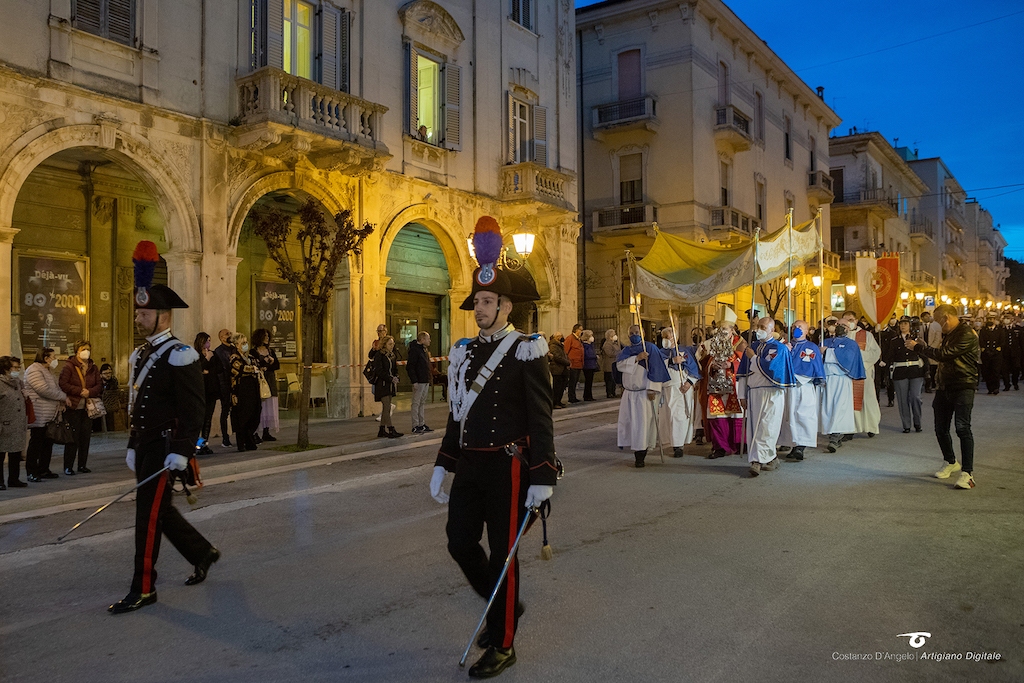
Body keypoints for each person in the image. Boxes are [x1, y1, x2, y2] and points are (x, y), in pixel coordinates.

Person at [428, 216, 556, 678]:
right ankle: (504, 605)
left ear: (505, 305)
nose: (479, 309)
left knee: (504, 555)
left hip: (509, 469)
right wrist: (443, 463)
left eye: (486, 302)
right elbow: (457, 413)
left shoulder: (526, 349)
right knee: (459, 542)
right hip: (470, 467)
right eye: (477, 302)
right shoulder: (464, 352)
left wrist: (543, 475)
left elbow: (541, 417)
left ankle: (503, 644)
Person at [109, 240, 219, 614]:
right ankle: (202, 552)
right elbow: (136, 404)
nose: (137, 319)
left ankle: (143, 588)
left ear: (163, 316)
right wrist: (132, 443)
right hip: (145, 445)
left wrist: (183, 451)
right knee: (160, 511)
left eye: (144, 314)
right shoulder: (140, 354)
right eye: (138, 313)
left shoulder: (181, 355)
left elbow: (194, 410)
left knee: (148, 517)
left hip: (165, 449)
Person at [905, 304, 980, 490]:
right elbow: (942, 355)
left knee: (962, 428)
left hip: (963, 385)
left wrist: (918, 348)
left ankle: (967, 473)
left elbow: (945, 355)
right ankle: (950, 461)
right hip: (944, 386)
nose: (938, 325)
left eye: (938, 321)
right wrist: (925, 347)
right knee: (940, 428)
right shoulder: (950, 334)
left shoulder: (966, 333)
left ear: (947, 318)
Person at [738, 318, 795, 476]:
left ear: (772, 330)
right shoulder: (752, 347)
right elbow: (743, 374)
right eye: (758, 327)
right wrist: (742, 395)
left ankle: (759, 461)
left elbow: (773, 370)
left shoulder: (779, 349)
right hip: (753, 392)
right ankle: (766, 458)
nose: (758, 330)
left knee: (768, 427)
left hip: (772, 393)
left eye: (763, 327)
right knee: (754, 428)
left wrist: (754, 358)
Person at [616, 324, 670, 468]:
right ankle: (635, 448)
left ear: (643, 333)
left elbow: (656, 369)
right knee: (629, 424)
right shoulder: (626, 350)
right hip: (629, 394)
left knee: (642, 425)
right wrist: (636, 358)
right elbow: (619, 366)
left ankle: (640, 455)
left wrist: (653, 389)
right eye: (632, 333)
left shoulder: (650, 348)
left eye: (637, 332)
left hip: (644, 394)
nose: (635, 335)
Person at [696, 307, 746, 459]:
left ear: (732, 329)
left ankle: (738, 445)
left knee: (735, 415)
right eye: (720, 328)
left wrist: (731, 365)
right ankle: (720, 448)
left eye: (725, 329)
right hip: (715, 385)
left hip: (735, 385)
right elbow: (702, 363)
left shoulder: (741, 344)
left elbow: (746, 363)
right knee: (717, 416)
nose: (722, 331)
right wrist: (712, 366)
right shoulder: (709, 344)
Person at [819, 318, 866, 453]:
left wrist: (827, 352)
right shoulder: (826, 341)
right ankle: (833, 434)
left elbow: (847, 358)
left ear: (848, 328)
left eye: (843, 325)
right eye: (838, 324)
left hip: (841, 378)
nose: (840, 327)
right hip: (827, 378)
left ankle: (835, 437)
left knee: (840, 407)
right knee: (828, 408)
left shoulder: (851, 344)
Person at [780, 320, 825, 462]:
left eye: (800, 327)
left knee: (803, 415)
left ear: (806, 331)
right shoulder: (785, 346)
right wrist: (784, 351)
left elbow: (815, 365)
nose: (796, 329)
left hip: (803, 386)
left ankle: (801, 446)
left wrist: (801, 377)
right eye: (794, 326)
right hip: (787, 386)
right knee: (789, 415)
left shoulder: (811, 347)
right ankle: (792, 443)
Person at [24, 347, 68, 482]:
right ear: (45, 358)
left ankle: (44, 469)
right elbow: (43, 389)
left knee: (47, 442)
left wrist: (60, 402)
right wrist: (63, 397)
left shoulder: (48, 371)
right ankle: (32, 471)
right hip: (39, 413)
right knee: (36, 443)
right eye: (53, 357)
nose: (55, 359)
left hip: (49, 414)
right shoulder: (34, 370)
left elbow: (55, 388)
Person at [58, 340, 101, 475]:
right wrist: (79, 391)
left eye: (88, 349)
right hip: (74, 407)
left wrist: (90, 392)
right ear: (77, 351)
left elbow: (99, 385)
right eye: (83, 349)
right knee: (72, 437)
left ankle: (82, 465)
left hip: (88, 408)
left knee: (85, 437)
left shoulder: (93, 367)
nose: (86, 352)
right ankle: (68, 466)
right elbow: (63, 384)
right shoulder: (69, 367)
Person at [657, 327, 700, 458]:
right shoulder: (659, 353)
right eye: (664, 337)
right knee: (667, 417)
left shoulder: (683, 351)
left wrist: (689, 382)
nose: (666, 339)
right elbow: (656, 368)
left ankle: (678, 446)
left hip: (681, 389)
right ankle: (669, 441)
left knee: (679, 417)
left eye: (668, 337)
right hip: (666, 389)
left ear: (675, 338)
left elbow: (694, 369)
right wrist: (671, 361)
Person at [883, 316, 925, 433]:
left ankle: (917, 422)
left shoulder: (917, 340)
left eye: (906, 323)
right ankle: (906, 425)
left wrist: (926, 371)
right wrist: (887, 371)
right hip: (900, 372)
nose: (903, 326)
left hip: (915, 371)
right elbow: (890, 356)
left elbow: (923, 355)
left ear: (910, 326)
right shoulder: (894, 341)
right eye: (901, 323)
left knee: (915, 397)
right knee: (902, 399)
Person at [842, 311, 881, 438]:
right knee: (849, 402)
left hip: (863, 372)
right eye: (846, 320)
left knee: (868, 400)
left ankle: (871, 426)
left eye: (851, 319)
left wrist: (859, 357)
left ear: (856, 320)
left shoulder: (867, 335)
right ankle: (851, 429)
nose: (849, 322)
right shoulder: (842, 336)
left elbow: (876, 352)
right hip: (847, 374)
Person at [227, 332, 261, 452]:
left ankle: (250, 440)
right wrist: (252, 369)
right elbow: (238, 369)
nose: (246, 345)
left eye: (246, 342)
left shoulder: (249, 357)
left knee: (253, 414)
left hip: (252, 390)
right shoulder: (234, 357)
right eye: (243, 343)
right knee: (242, 417)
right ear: (237, 345)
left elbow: (258, 365)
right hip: (241, 391)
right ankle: (241, 443)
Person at [0, 356, 29, 489]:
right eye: (15, 367)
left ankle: (14, 479)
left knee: (15, 453)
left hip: (17, 423)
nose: (17, 370)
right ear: (5, 368)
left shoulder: (18, 382)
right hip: (4, 424)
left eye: (18, 367)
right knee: (1, 454)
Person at [194, 332, 221, 455]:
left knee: (208, 419)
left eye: (209, 340)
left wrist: (208, 369)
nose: (208, 343)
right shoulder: (196, 355)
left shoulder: (213, 354)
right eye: (206, 341)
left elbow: (218, 369)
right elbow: (197, 370)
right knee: (199, 419)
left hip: (211, 390)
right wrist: (206, 360)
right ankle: (196, 444)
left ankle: (204, 443)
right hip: (200, 391)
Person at [252, 328, 280, 442]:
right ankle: (255, 432)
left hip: (270, 379)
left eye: (268, 336)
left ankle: (266, 431)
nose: (267, 338)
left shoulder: (270, 351)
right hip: (260, 379)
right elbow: (254, 365)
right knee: (260, 405)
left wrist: (270, 363)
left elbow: (277, 365)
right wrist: (263, 364)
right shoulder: (254, 351)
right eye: (265, 336)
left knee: (269, 405)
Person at [372, 335, 402, 438]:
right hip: (382, 384)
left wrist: (396, 376)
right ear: (384, 345)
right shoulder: (379, 355)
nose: (392, 346)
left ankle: (381, 429)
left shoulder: (392, 355)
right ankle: (390, 428)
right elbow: (379, 370)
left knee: (386, 407)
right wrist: (390, 378)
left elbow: (394, 369)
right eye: (390, 344)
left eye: (393, 344)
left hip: (390, 385)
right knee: (387, 406)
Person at [407, 331, 433, 433]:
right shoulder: (415, 350)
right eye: (428, 338)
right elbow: (410, 367)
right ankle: (415, 425)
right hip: (419, 381)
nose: (430, 340)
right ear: (422, 339)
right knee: (416, 403)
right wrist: (414, 381)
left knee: (422, 403)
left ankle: (421, 423)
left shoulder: (424, 350)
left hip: (425, 379)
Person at [213, 328, 235, 447]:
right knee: (225, 410)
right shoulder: (219, 351)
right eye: (227, 334)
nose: (230, 335)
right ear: (221, 338)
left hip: (235, 383)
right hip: (224, 384)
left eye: (230, 333)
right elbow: (224, 367)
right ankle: (225, 437)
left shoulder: (234, 349)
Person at [877, 316, 899, 407]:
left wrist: (886, 360)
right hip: (877, 360)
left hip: (888, 361)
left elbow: (891, 349)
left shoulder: (892, 333)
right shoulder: (874, 333)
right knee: (876, 382)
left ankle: (891, 399)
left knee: (889, 381)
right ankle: (876, 400)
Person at [978, 317, 1004, 395]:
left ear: (994, 320)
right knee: (987, 371)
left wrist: (996, 350)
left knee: (995, 371)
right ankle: (990, 388)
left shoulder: (999, 330)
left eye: (992, 319)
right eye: (989, 319)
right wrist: (985, 349)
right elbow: (981, 340)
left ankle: (996, 387)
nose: (990, 321)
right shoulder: (983, 330)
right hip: (986, 354)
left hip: (996, 354)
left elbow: (1002, 341)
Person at [94, 363, 120, 432]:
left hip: (110, 407)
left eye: (109, 373)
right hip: (99, 406)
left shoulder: (113, 382)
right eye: (105, 373)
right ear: (101, 374)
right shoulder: (98, 383)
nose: (108, 375)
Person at [920, 311, 941, 393]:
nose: (928, 317)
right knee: (924, 368)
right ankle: (926, 385)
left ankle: (932, 384)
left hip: (932, 349)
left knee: (932, 368)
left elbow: (937, 338)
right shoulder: (919, 327)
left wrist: (931, 347)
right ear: (922, 318)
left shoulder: (935, 326)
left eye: (929, 316)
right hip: (922, 350)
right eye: (926, 316)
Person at [563, 323, 584, 403]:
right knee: (572, 381)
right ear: (576, 330)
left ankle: (573, 396)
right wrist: (568, 362)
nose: (581, 331)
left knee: (575, 382)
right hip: (573, 363)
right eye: (580, 330)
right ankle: (571, 397)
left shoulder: (578, 339)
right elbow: (566, 351)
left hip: (579, 363)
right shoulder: (570, 338)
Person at [547, 333, 569, 408]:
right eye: (560, 336)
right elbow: (557, 357)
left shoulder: (560, 345)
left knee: (562, 386)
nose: (562, 337)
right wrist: (567, 362)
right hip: (557, 368)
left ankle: (559, 401)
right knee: (557, 387)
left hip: (562, 368)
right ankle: (555, 402)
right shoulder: (553, 346)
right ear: (556, 337)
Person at [1003, 314, 1023, 391]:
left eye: (1008, 318)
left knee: (1016, 369)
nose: (1006, 320)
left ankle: (1015, 382)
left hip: (1015, 353)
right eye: (1005, 318)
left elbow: (1021, 341)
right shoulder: (1001, 329)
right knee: (1005, 370)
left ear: (1012, 319)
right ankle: (1007, 384)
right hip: (1005, 353)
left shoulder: (1018, 329)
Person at [599, 329, 621, 398]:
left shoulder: (614, 343)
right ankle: (609, 393)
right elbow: (610, 353)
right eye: (613, 335)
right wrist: (619, 353)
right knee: (609, 380)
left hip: (614, 363)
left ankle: (613, 392)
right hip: (609, 365)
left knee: (613, 380)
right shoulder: (607, 344)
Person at [581, 329, 598, 401]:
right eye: (590, 335)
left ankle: (589, 395)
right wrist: (594, 356)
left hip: (592, 365)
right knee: (588, 381)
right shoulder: (585, 346)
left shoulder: (590, 345)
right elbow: (587, 355)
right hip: (587, 365)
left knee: (590, 381)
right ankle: (587, 396)